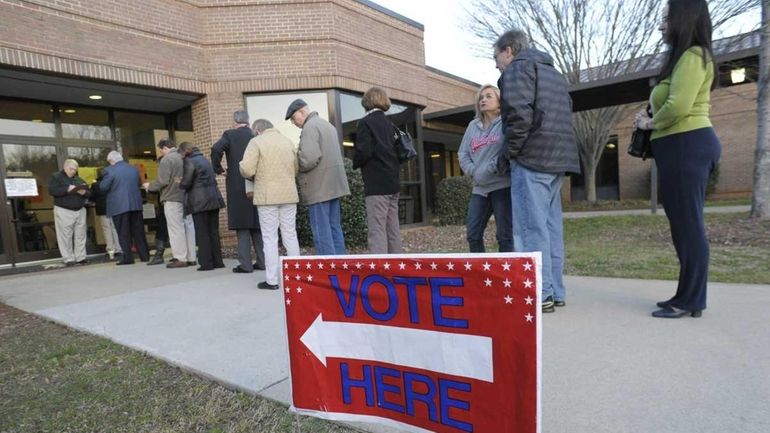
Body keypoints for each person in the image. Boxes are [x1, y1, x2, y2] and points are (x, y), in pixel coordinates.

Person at [634, 0, 721, 319]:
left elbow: (680, 105)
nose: (662, 25)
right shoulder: (682, 58)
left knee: (689, 226)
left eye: (667, 19)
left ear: (685, 19)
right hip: (678, 147)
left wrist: (649, 123)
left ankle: (691, 300)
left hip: (688, 143)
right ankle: (686, 294)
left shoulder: (694, 55)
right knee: (681, 226)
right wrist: (650, 112)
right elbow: (669, 101)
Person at [494, 29, 581, 313]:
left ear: (508, 50)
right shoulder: (554, 74)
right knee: (551, 228)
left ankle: (539, 293)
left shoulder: (517, 70)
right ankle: (555, 290)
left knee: (530, 230)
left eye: (496, 57)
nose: (496, 64)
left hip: (533, 159)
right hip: (559, 159)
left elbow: (518, 116)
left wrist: (510, 152)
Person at [239, 119, 301, 290]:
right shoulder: (287, 141)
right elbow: (296, 169)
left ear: (257, 130)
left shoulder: (256, 142)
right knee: (290, 234)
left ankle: (272, 280)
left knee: (270, 238)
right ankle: (296, 277)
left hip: (267, 197)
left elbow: (247, 169)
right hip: (289, 195)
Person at [286, 99, 350, 255]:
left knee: (321, 230)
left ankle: (328, 269)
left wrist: (295, 157)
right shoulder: (327, 125)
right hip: (333, 186)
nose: (294, 123)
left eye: (294, 118)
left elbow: (308, 160)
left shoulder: (310, 127)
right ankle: (340, 265)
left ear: (302, 112)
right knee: (334, 226)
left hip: (319, 188)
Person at [458, 84, 512, 253]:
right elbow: (462, 153)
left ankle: (505, 277)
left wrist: (488, 169)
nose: (483, 100)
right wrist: (473, 171)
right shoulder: (472, 126)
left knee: (505, 236)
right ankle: (482, 275)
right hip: (480, 189)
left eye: (489, 96)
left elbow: (506, 152)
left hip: (502, 186)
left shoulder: (505, 123)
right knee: (473, 235)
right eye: (481, 97)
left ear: (499, 101)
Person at [211, 110, 265, 274]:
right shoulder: (256, 135)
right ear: (248, 121)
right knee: (257, 226)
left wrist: (219, 169)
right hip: (258, 184)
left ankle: (246, 265)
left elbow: (215, 149)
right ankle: (263, 262)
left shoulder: (230, 135)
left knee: (242, 226)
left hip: (237, 186)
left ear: (234, 121)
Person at [352, 87, 403, 254]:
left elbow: (363, 152)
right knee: (392, 228)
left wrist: (355, 162)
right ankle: (397, 266)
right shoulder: (390, 124)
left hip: (376, 185)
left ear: (367, 102)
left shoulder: (365, 123)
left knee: (377, 229)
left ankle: (379, 271)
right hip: (393, 183)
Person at [144, 139, 196, 268]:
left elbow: (163, 181)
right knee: (188, 227)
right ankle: (191, 257)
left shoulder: (167, 159)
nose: (161, 152)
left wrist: (149, 186)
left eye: (161, 150)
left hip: (172, 197)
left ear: (165, 148)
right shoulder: (184, 157)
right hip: (186, 197)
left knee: (175, 228)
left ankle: (180, 257)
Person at [179, 142, 225, 271]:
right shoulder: (204, 159)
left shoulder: (189, 161)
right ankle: (218, 261)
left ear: (184, 151)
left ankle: (206, 263)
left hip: (199, 200)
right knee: (213, 232)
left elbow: (187, 182)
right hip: (214, 198)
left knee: (202, 232)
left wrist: (180, 183)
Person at [100, 151, 150, 265]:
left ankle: (128, 258)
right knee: (139, 232)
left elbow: (103, 187)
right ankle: (144, 256)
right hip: (135, 205)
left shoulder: (109, 170)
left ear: (112, 161)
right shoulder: (133, 169)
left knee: (123, 232)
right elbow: (138, 184)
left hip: (119, 206)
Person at [48, 159, 91, 266]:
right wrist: (67, 189)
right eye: (71, 169)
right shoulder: (56, 177)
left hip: (80, 210)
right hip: (64, 210)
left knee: (80, 235)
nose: (73, 171)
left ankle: (80, 257)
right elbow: (52, 191)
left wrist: (84, 192)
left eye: (75, 170)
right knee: (65, 236)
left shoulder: (79, 179)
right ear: (65, 167)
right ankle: (68, 259)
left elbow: (90, 193)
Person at [91, 167, 122, 260]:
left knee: (106, 229)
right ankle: (118, 249)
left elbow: (92, 197)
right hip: (114, 208)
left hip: (102, 209)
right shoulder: (112, 183)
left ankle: (110, 250)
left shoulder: (95, 185)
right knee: (115, 228)